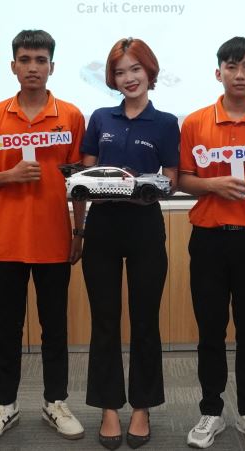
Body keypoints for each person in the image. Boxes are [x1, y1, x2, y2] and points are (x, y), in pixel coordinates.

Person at [0, 29, 86, 444]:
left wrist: (79, 230)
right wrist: (10, 176)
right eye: (25, 59)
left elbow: (80, 182)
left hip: (54, 239)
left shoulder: (70, 115)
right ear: (13, 66)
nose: (32, 67)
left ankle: (56, 402)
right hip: (8, 240)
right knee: (7, 329)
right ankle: (5, 405)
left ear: (52, 66)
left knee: (55, 328)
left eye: (40, 60)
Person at [178, 37, 245, 450]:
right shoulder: (196, 123)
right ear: (218, 72)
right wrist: (213, 185)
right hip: (209, 239)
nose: (240, 75)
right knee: (210, 331)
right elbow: (183, 179)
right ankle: (211, 411)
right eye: (232, 66)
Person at [80, 38, 180, 449]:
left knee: (145, 320)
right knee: (104, 320)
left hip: (144, 226)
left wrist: (146, 186)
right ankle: (108, 406)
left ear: (149, 72)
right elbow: (85, 172)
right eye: (120, 72)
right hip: (102, 226)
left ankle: (142, 406)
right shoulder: (100, 118)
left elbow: (172, 178)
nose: (128, 78)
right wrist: (102, 179)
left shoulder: (166, 122)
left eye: (135, 69)